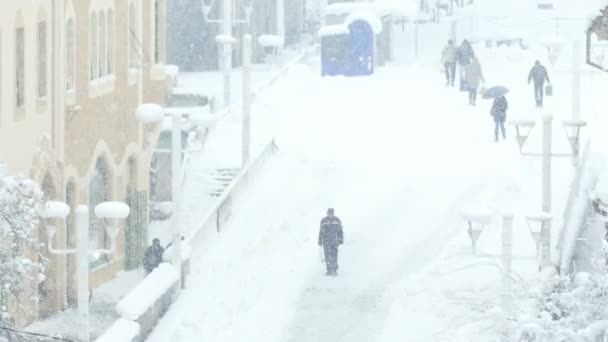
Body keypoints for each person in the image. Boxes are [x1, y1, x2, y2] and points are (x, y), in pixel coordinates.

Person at [318, 208, 344, 276]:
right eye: (329, 213)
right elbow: (321, 231)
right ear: (327, 213)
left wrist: (340, 240)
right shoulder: (323, 220)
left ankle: (334, 270)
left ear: (333, 213)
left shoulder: (337, 220)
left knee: (334, 256)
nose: (330, 214)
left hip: (334, 241)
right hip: (326, 242)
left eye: (331, 213)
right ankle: (329, 270)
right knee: (327, 256)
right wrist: (320, 240)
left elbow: (340, 231)